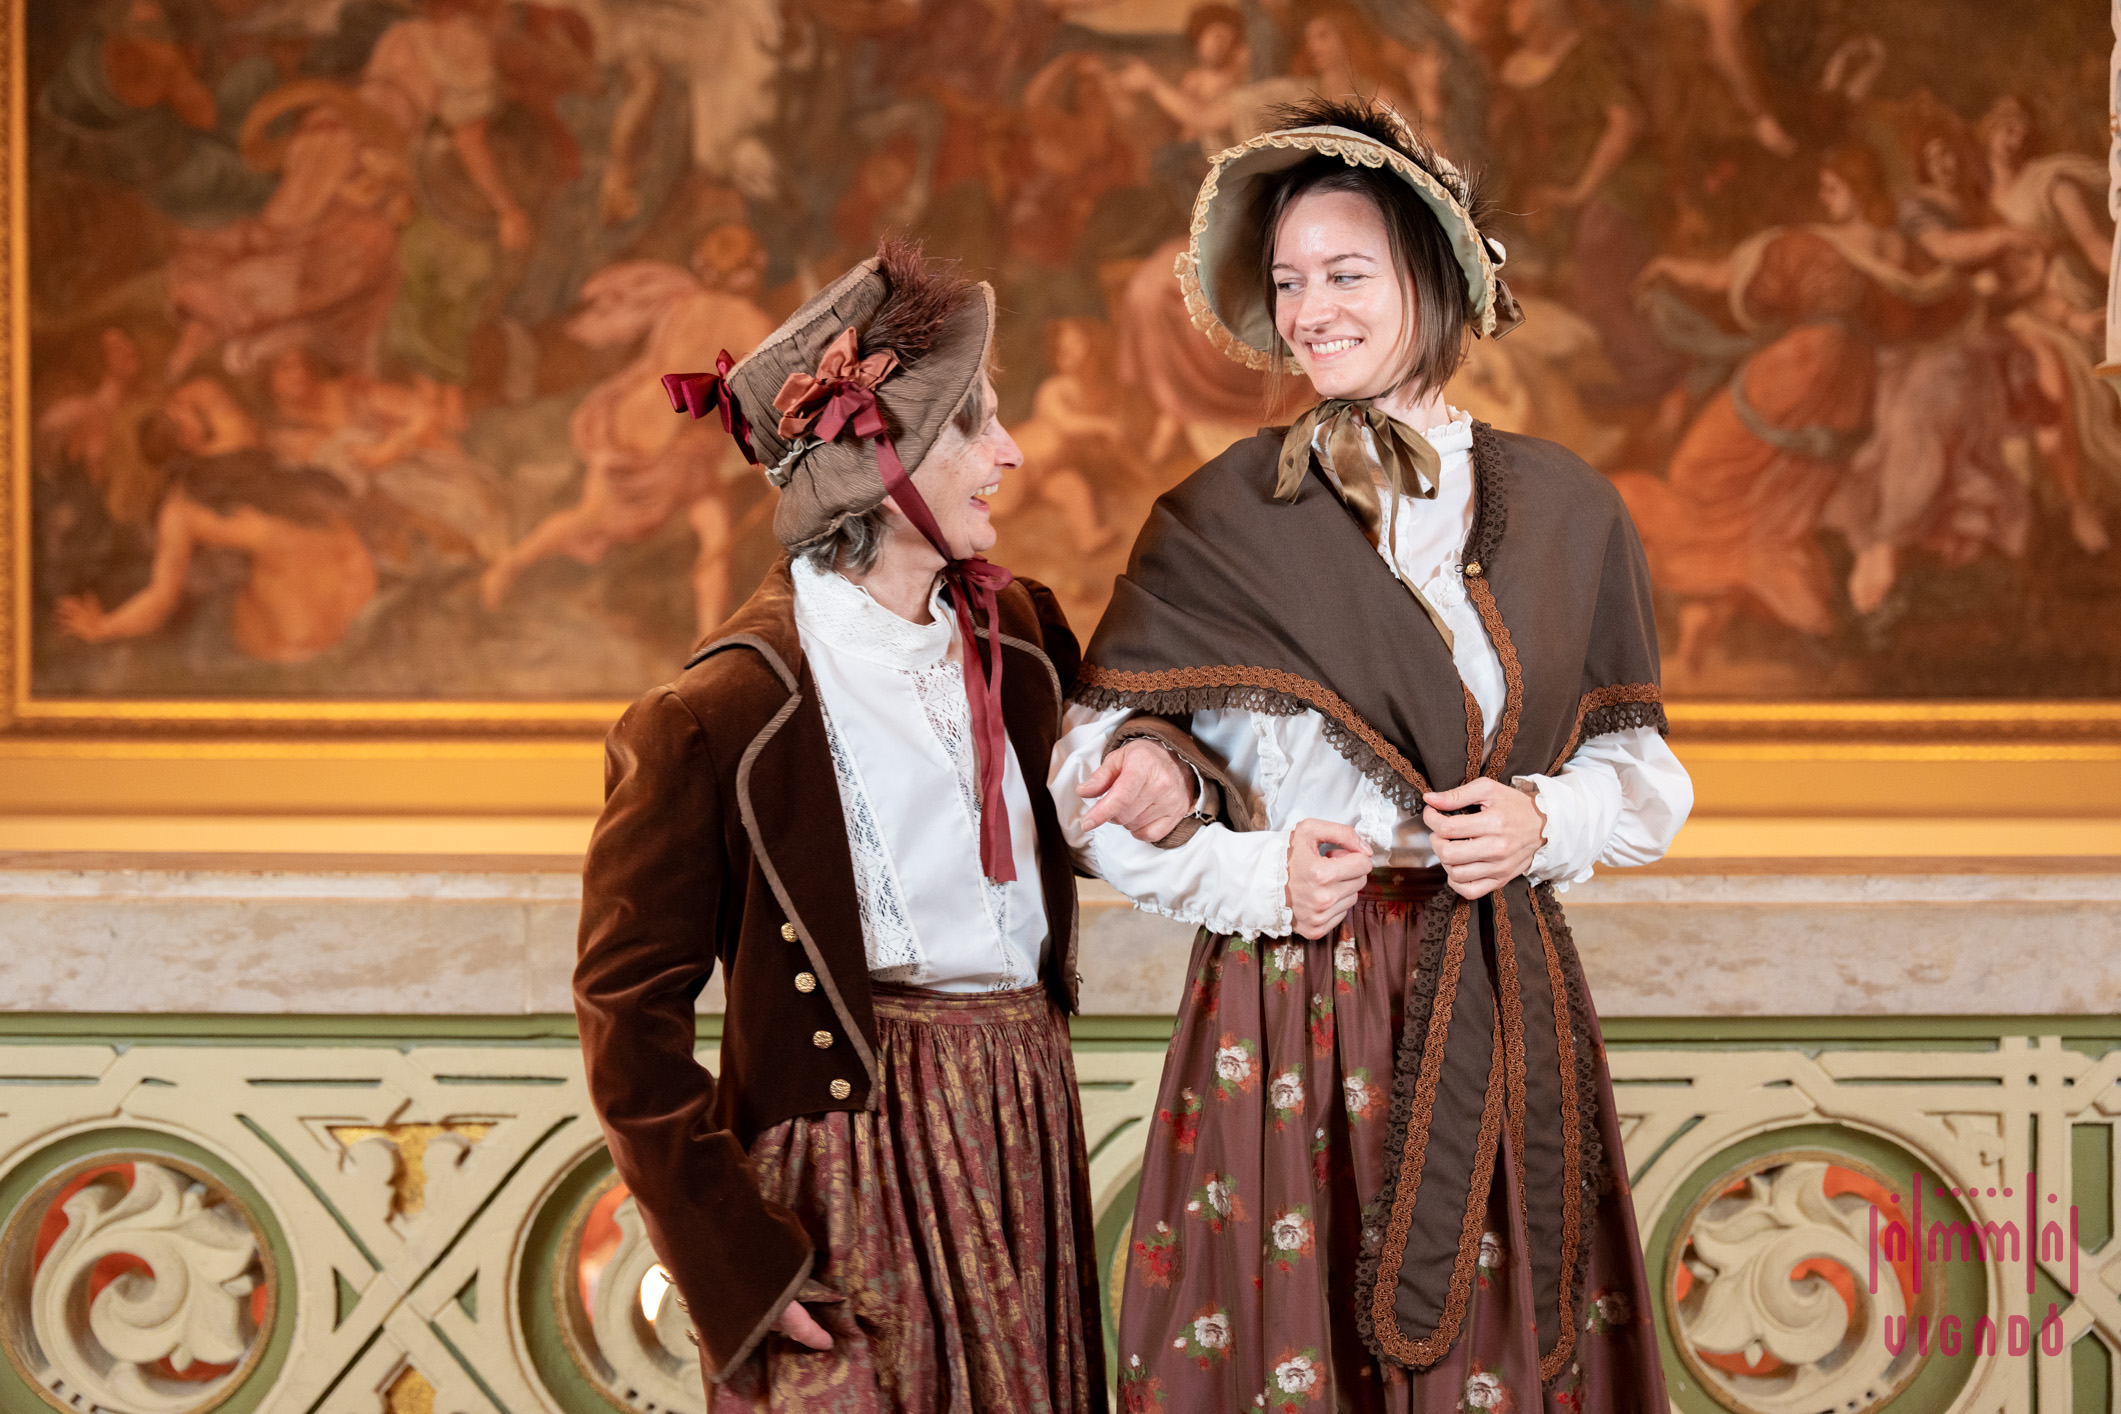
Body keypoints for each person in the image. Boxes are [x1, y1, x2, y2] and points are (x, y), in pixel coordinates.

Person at [1051, 98, 1693, 1414]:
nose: (1310, 311)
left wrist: (1543, 819)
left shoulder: (1567, 509)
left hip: (1495, 986)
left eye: (1346, 274)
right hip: (1286, 996)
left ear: (1436, 281)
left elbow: (1644, 777)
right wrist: (1238, 860)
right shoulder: (1218, 517)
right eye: (1288, 282)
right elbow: (1096, 785)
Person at [573, 240, 1190, 1412]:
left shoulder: (1021, 634)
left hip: (1023, 1106)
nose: (1010, 452)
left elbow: (1140, 751)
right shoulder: (714, 716)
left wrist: (1167, 766)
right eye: (974, 424)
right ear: (879, 459)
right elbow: (626, 1022)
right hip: (840, 1164)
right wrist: (736, 1263)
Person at [56, 383, 378, 663]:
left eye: (176, 415)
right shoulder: (189, 499)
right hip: (311, 626)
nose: (183, 418)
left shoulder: (237, 464)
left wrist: (105, 627)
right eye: (172, 424)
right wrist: (105, 628)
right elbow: (161, 596)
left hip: (338, 613)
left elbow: (160, 596)